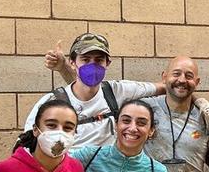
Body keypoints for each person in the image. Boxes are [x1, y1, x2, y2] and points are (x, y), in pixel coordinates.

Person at [33, 32, 163, 147]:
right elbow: (28, 142)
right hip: (68, 171)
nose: (92, 65)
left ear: (107, 63)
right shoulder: (52, 101)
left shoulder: (117, 90)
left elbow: (161, 87)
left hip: (106, 171)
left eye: (99, 60)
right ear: (72, 63)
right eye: (85, 59)